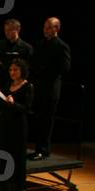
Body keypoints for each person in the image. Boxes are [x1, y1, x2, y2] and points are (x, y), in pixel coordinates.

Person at [0, 59, 35, 191]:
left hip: (17, 126)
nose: (12, 72)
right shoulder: (7, 85)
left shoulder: (28, 87)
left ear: (22, 71)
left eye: (15, 70)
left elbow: (26, 109)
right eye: (11, 70)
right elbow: (2, 108)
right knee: (2, 155)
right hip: (4, 124)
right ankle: (1, 187)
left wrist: (13, 103)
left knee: (14, 157)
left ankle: (14, 189)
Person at [30, 17, 71, 160]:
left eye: (49, 27)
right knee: (37, 120)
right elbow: (33, 62)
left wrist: (44, 69)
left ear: (56, 29)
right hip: (38, 88)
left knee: (47, 121)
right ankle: (37, 148)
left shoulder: (62, 46)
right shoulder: (40, 44)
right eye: (44, 27)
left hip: (51, 89)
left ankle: (43, 150)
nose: (45, 30)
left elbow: (65, 68)